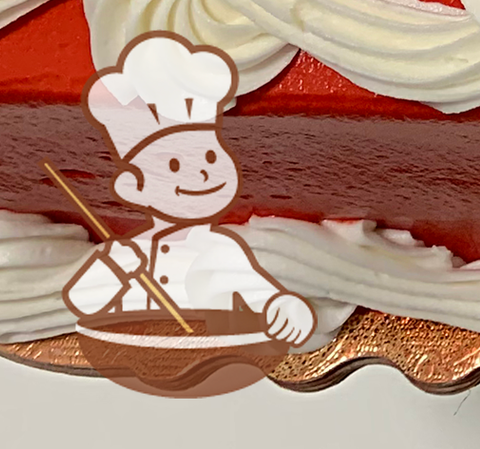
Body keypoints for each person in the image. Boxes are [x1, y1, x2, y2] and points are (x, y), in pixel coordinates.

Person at [62, 31, 315, 345]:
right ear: (133, 188)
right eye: (174, 165)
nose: (203, 174)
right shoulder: (131, 252)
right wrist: (114, 265)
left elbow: (264, 295)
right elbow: (82, 300)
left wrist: (286, 308)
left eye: (210, 156)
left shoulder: (220, 250)